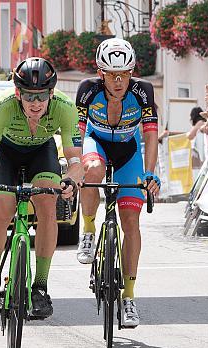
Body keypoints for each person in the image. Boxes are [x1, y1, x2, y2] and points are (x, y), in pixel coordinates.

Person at [0, 57, 81, 322]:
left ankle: (40, 286)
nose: (35, 103)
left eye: (41, 96)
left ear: (51, 93)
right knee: (2, 210)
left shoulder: (65, 108)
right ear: (18, 93)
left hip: (42, 153)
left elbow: (75, 159)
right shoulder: (3, 107)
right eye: (29, 96)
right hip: (6, 154)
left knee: (47, 206)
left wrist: (71, 181)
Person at [74, 38, 161, 328]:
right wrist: (75, 165)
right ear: (101, 73)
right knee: (94, 169)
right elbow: (78, 133)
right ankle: (87, 229)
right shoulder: (88, 90)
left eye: (125, 73)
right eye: (112, 74)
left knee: (131, 223)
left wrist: (150, 173)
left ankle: (129, 297)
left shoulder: (143, 91)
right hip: (96, 143)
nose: (119, 80)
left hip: (128, 152)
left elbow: (150, 136)